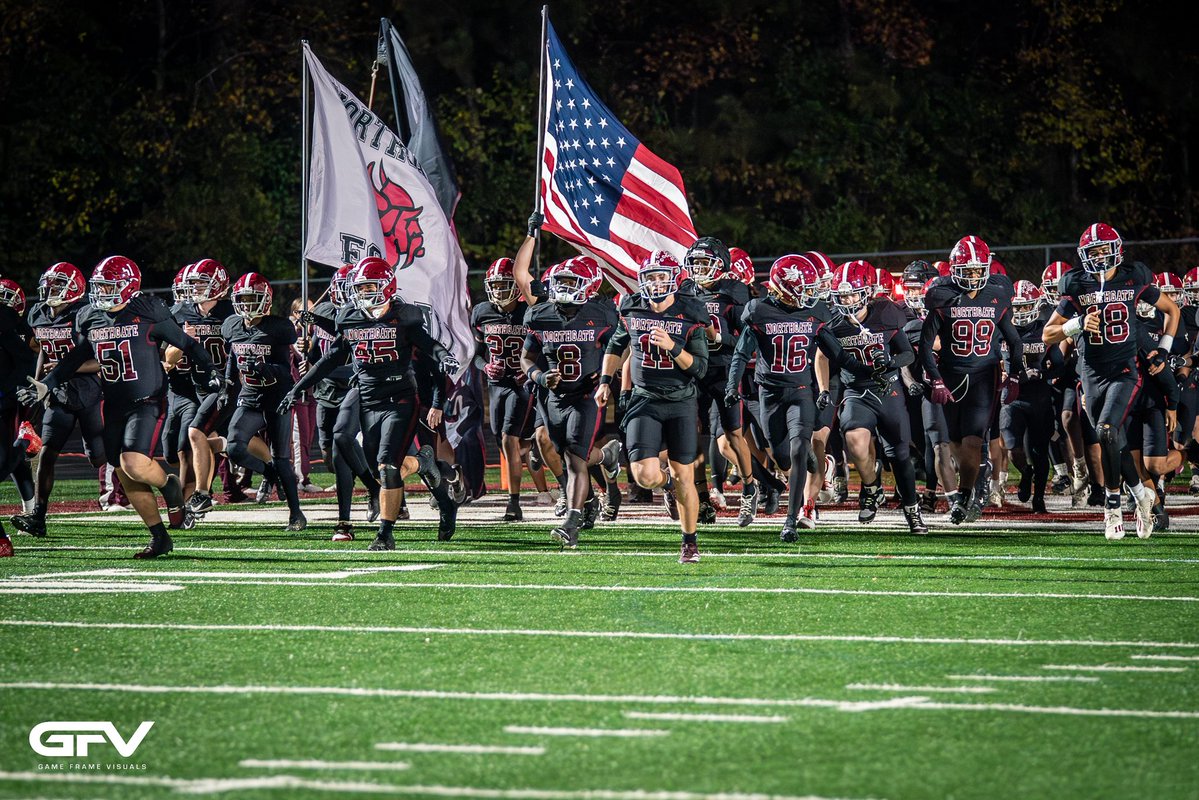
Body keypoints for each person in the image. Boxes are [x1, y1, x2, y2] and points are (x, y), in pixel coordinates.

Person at [18, 256, 218, 558]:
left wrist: (212, 371)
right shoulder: (91, 317)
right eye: (100, 287)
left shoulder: (148, 311)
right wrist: (48, 382)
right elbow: (76, 357)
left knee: (133, 463)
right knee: (125, 473)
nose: (103, 293)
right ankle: (159, 537)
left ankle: (169, 485)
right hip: (113, 405)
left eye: (110, 286)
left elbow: (187, 344)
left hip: (147, 401)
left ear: (129, 287)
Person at [283, 256, 461, 549]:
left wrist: (444, 356)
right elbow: (331, 359)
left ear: (387, 286)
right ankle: (432, 476)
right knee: (383, 465)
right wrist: (298, 386)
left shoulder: (405, 316)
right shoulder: (350, 318)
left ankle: (385, 533)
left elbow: (427, 344)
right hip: (367, 400)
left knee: (388, 467)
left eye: (369, 287)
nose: (363, 293)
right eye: (360, 287)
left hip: (400, 399)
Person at [1043, 222, 1180, 540]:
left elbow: (1171, 310)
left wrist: (1163, 349)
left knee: (1107, 431)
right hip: (1090, 376)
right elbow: (1048, 333)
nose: (1102, 255)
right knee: (1113, 442)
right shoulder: (1077, 285)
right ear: (1084, 256)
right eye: (1095, 251)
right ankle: (1142, 495)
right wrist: (1076, 324)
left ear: (1117, 249)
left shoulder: (1134, 277)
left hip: (1124, 372)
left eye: (1105, 249)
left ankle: (1113, 507)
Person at [725, 255, 875, 541]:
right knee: (782, 456)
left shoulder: (816, 311)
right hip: (769, 394)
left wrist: (870, 367)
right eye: (803, 287)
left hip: (802, 393)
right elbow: (742, 354)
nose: (810, 294)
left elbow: (838, 354)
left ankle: (791, 520)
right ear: (785, 287)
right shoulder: (759, 310)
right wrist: (732, 386)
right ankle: (809, 458)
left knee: (796, 451)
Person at [596, 251, 709, 562]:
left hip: (680, 400)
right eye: (650, 276)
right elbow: (616, 343)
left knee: (686, 473)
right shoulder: (632, 306)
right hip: (644, 399)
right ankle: (669, 484)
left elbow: (699, 368)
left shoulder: (691, 311)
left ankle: (689, 541)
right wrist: (606, 380)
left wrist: (672, 347)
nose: (656, 282)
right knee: (645, 476)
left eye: (662, 276)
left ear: (674, 278)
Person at [921, 236, 1024, 524]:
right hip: (951, 373)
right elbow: (926, 345)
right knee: (954, 440)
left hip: (984, 375)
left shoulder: (997, 294)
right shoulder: (941, 295)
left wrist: (1015, 373)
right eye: (969, 269)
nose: (975, 275)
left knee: (972, 440)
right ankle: (975, 479)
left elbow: (1014, 341)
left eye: (980, 269)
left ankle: (964, 496)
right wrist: (937, 379)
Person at [522, 256, 622, 547]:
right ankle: (606, 456)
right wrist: (540, 377)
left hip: (586, 394)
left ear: (589, 286)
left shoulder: (602, 313)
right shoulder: (540, 314)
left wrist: (606, 378)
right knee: (564, 455)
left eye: (571, 282)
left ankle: (572, 522)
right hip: (553, 395)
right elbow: (526, 357)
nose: (563, 287)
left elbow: (620, 346)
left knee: (575, 459)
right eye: (561, 281)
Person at [827, 260, 926, 534]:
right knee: (854, 440)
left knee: (900, 455)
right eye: (841, 294)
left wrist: (890, 362)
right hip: (856, 390)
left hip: (888, 388)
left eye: (851, 292)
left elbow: (908, 353)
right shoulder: (833, 322)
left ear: (867, 292)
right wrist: (826, 389)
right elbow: (824, 359)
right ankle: (871, 486)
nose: (846, 299)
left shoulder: (885, 313)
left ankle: (912, 510)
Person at [11, 263, 107, 537]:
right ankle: (38, 516)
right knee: (47, 452)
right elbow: (43, 349)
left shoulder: (86, 314)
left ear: (74, 287)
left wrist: (64, 369)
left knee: (98, 457)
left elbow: (102, 359)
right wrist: (39, 381)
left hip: (89, 392)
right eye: (50, 283)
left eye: (58, 284)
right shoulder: (38, 313)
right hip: (58, 395)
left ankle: (127, 492)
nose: (51, 289)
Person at [211, 273, 307, 531]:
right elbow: (232, 358)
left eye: (252, 299)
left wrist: (266, 369)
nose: (246, 304)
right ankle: (269, 473)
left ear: (265, 300)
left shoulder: (278, 327)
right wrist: (226, 385)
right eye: (242, 299)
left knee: (281, 457)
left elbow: (286, 371)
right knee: (234, 447)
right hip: (250, 396)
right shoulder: (232, 325)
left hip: (278, 398)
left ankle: (296, 513)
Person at [299, 264, 381, 542]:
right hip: (326, 392)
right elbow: (319, 354)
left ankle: (345, 521)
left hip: (355, 389)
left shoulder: (363, 316)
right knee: (330, 454)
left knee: (342, 450)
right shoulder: (323, 312)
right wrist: (306, 356)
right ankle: (373, 488)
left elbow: (340, 335)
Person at [684, 236, 759, 527]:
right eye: (696, 262)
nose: (700, 268)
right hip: (695, 371)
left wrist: (719, 338)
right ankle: (703, 497)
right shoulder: (685, 291)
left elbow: (746, 340)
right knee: (694, 435)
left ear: (721, 265)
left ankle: (750, 488)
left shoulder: (734, 292)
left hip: (725, 371)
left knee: (733, 434)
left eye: (706, 262)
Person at [472, 257, 540, 522]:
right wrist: (485, 367)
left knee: (507, 438)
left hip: (522, 384)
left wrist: (532, 369)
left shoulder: (529, 312)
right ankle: (532, 446)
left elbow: (544, 349)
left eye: (504, 285)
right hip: (496, 384)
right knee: (503, 439)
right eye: (496, 285)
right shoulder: (481, 312)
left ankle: (514, 504)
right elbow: (476, 354)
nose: (499, 291)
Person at [0, 278, 37, 556]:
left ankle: (24, 443)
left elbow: (27, 357)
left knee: (3, 464)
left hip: (9, 399)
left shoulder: (11, 322)